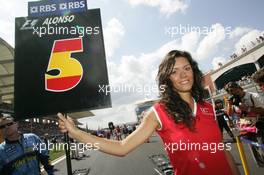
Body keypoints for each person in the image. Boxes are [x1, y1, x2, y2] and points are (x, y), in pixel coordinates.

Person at [58, 50, 239, 175]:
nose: (183, 75)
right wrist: (77, 133)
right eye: (175, 72)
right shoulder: (159, 112)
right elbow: (122, 148)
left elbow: (221, 150)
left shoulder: (207, 108)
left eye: (187, 68)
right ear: (167, 79)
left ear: (193, 70)